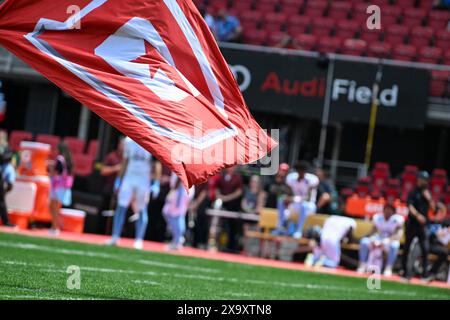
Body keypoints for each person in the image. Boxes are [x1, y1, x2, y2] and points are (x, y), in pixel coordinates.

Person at [106, 137, 156, 250]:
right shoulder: (129, 141)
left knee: (142, 209)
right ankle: (115, 237)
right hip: (129, 178)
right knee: (120, 207)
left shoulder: (151, 139)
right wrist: (119, 179)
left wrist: (155, 182)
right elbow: (125, 161)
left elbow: (156, 164)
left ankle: (139, 239)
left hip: (143, 180)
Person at [401, 171, 435, 280]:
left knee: (425, 249)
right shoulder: (413, 192)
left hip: (423, 226)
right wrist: (418, 216)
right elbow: (410, 206)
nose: (422, 181)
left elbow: (433, 209)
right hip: (412, 224)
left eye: (424, 179)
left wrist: (429, 199)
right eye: (421, 179)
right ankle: (405, 272)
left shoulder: (427, 193)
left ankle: (425, 274)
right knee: (407, 248)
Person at [274, 161, 319, 239]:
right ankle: (280, 227)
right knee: (281, 200)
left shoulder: (312, 179)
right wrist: (287, 198)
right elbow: (288, 193)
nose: (300, 172)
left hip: (309, 206)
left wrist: (293, 199)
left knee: (303, 205)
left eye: (302, 170)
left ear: (305, 171)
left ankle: (299, 230)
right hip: (296, 205)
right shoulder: (291, 178)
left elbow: (308, 198)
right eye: (299, 170)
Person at [357, 203, 405, 276]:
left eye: (390, 209)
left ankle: (388, 267)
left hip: (390, 240)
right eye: (386, 209)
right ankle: (362, 264)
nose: (388, 211)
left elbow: (398, 235)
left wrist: (389, 240)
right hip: (379, 238)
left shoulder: (397, 219)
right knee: (364, 241)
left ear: (393, 211)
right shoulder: (378, 217)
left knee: (394, 245)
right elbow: (373, 230)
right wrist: (371, 237)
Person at [98, 137, 124, 233]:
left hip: (122, 194)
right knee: (104, 215)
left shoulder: (128, 159)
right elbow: (103, 171)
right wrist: (115, 168)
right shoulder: (111, 156)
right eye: (122, 144)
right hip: (109, 191)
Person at [48, 142, 74, 235]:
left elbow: (56, 172)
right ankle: (56, 225)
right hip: (63, 187)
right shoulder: (68, 159)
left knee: (53, 207)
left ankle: (55, 227)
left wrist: (50, 168)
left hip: (57, 186)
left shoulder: (60, 159)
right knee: (56, 207)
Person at [163, 176, 195, 250]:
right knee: (167, 212)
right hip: (179, 191)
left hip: (182, 191)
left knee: (178, 216)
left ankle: (178, 240)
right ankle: (177, 237)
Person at [216, 166, 243, 252]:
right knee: (223, 227)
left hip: (233, 206)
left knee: (232, 228)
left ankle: (231, 247)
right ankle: (221, 245)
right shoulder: (222, 177)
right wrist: (220, 197)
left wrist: (227, 198)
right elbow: (217, 188)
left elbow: (239, 192)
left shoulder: (237, 177)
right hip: (224, 205)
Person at [423, 203, 449, 282]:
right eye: (441, 212)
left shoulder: (443, 222)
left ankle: (432, 272)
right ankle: (428, 273)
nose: (443, 215)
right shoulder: (430, 221)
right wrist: (439, 232)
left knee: (444, 252)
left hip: (436, 245)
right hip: (427, 245)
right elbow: (432, 233)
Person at [0, 148, 15, 227]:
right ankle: (6, 221)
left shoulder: (8, 168)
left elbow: (10, 183)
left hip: (2, 186)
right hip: (2, 187)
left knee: (2, 204)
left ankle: (6, 221)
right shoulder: (9, 167)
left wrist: (5, 191)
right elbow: (10, 183)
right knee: (2, 204)